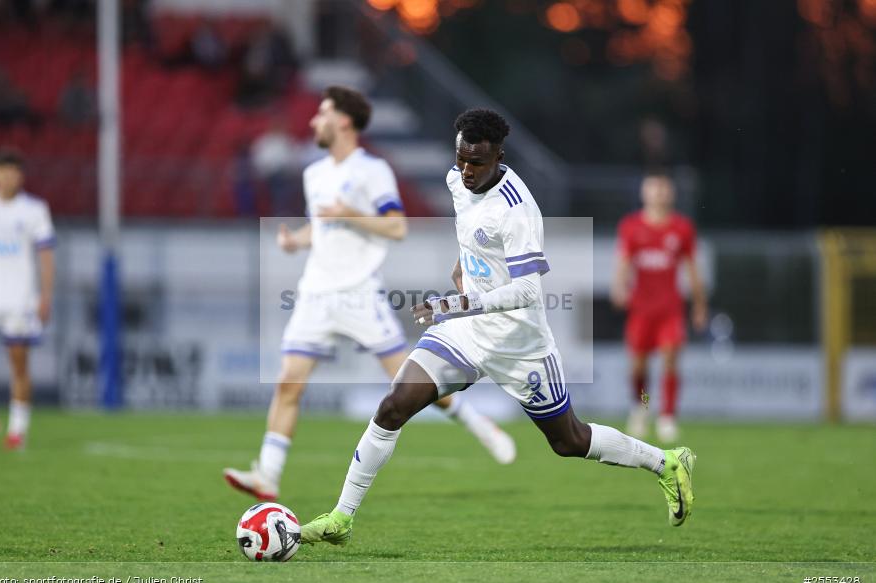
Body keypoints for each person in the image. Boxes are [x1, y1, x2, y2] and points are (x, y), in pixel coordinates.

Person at [300, 109, 696, 547]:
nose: (466, 171)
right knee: (394, 405)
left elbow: (528, 289)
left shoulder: (518, 210)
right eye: (462, 159)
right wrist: (463, 266)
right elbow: (471, 234)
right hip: (466, 333)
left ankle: (666, 461)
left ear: (499, 156)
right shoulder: (457, 179)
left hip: (518, 343)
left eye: (477, 163)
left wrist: (463, 299)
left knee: (568, 440)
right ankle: (342, 517)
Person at [223, 88, 516, 502]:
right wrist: (298, 240)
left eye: (321, 114)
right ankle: (267, 476)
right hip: (315, 293)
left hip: (359, 293)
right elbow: (323, 227)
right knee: (288, 383)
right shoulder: (314, 173)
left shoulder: (372, 171)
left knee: (411, 382)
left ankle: (478, 423)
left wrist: (350, 214)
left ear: (344, 121)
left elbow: (396, 227)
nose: (312, 122)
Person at [611, 172, 707, 443]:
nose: (659, 194)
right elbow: (624, 261)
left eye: (664, 189)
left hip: (670, 309)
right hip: (641, 309)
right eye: (654, 189)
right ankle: (641, 408)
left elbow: (692, 268)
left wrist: (699, 305)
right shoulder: (631, 226)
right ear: (645, 193)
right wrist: (619, 287)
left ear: (671, 193)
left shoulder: (682, 228)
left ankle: (667, 416)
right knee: (639, 367)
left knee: (670, 360)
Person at [0, 148, 56, 450]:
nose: (8, 177)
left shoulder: (34, 210)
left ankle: (17, 430)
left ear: (20, 177)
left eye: (13, 172)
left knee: (18, 364)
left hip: (20, 296)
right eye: (2, 172)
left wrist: (45, 295)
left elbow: (46, 256)